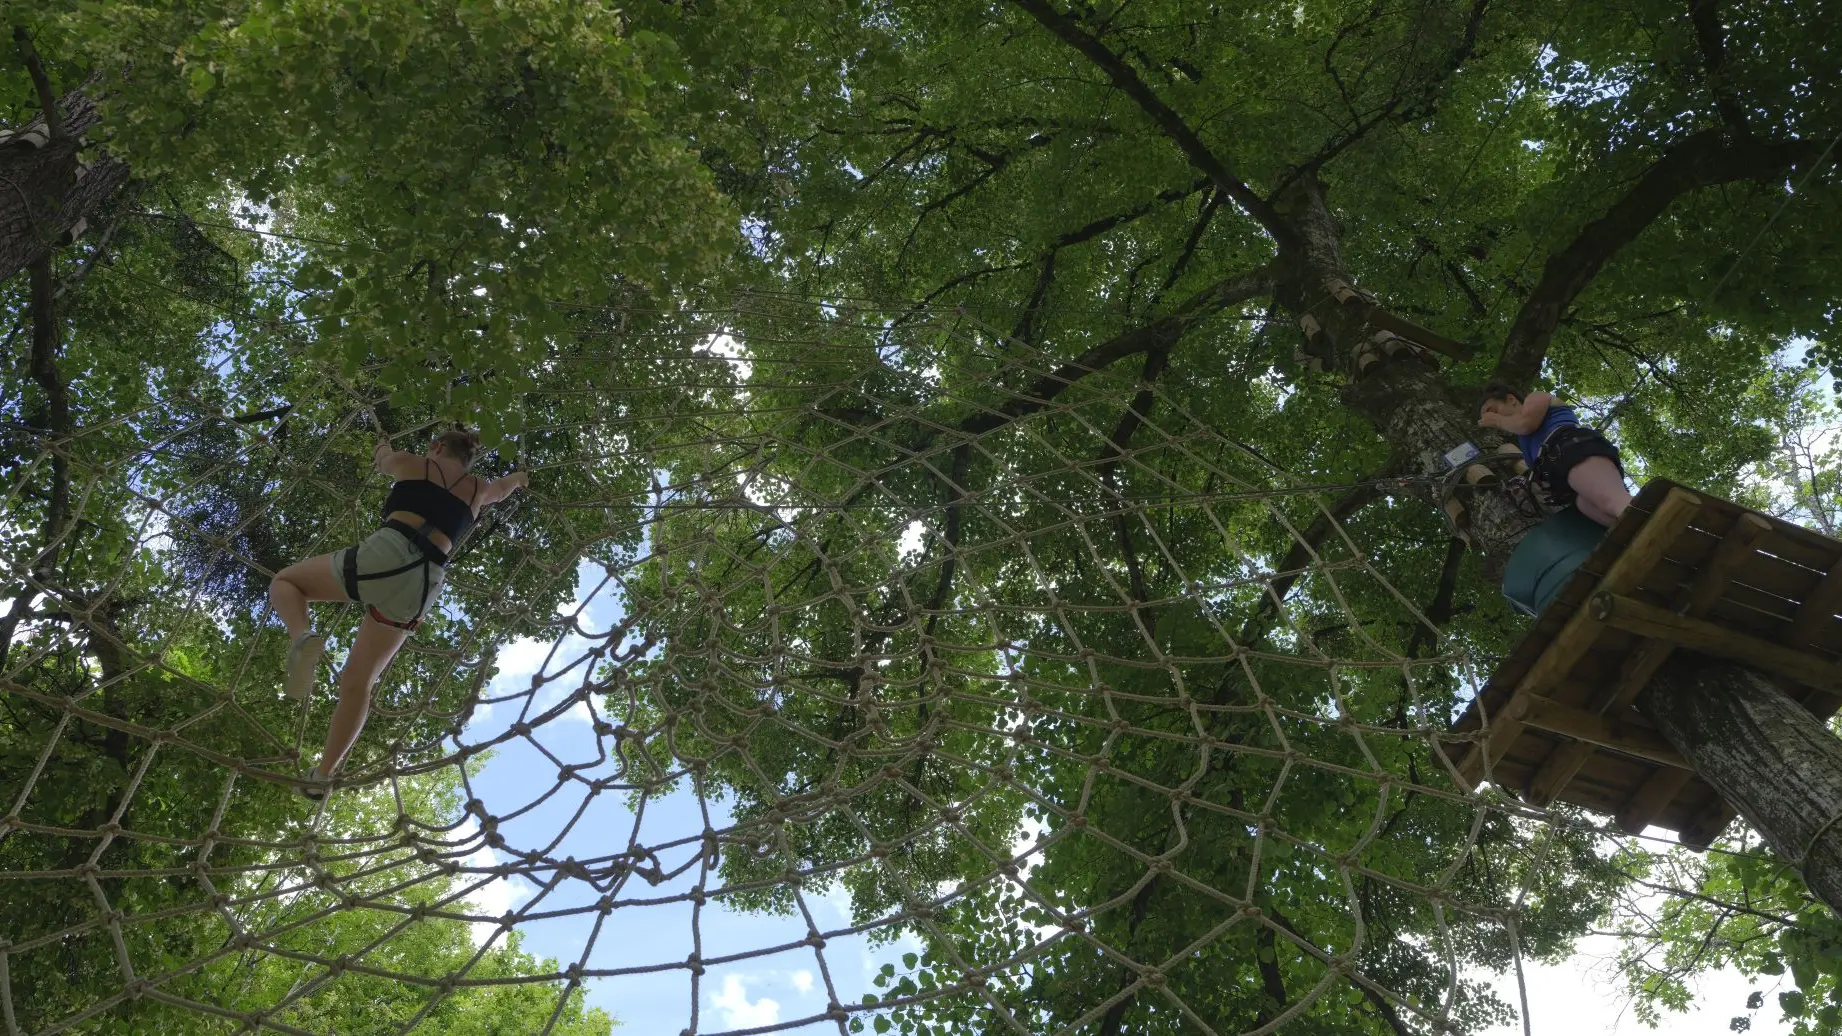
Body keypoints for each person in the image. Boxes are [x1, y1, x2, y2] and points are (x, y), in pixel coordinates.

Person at [267, 424, 528, 799]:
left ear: (436, 446)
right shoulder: (478, 489)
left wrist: (383, 448)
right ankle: (323, 775)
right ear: (469, 459)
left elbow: (384, 462)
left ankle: (302, 637)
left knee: (286, 584)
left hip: (385, 553)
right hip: (424, 582)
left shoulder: (413, 462)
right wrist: (520, 477)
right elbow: (504, 489)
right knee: (359, 682)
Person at [1478, 382, 1629, 527]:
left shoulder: (1535, 398)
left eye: (1492, 410)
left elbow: (1526, 424)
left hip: (1574, 450)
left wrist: (1498, 420)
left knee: (1617, 504)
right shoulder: (1525, 444)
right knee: (1615, 523)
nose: (1489, 419)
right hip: (1568, 484)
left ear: (1511, 399)